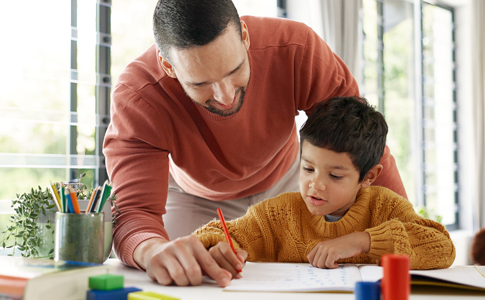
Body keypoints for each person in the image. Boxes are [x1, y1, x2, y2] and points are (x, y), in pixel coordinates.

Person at [103, 0, 407, 287]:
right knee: (183, 276)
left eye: (234, 70)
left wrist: (404, 228)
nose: (224, 96)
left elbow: (361, 145)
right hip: (193, 195)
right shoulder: (139, 94)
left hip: (289, 182)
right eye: (200, 83)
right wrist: (151, 249)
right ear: (168, 67)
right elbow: (134, 212)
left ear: (244, 37)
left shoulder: (295, 47)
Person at [193, 96, 455, 275]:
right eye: (308, 169)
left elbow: (442, 247)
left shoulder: (384, 207)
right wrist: (217, 248)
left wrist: (362, 241)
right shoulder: (278, 215)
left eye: (335, 176)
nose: (315, 185)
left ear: (368, 177)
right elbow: (213, 234)